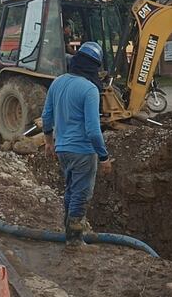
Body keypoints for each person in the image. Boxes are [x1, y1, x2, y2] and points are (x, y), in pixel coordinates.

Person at [41, 41, 112, 248]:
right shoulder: (89, 89)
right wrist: (104, 157)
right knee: (80, 194)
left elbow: (46, 116)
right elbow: (92, 130)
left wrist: (48, 142)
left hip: (63, 149)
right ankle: (74, 241)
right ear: (95, 66)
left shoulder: (58, 82)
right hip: (83, 151)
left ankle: (69, 231)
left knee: (71, 190)